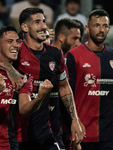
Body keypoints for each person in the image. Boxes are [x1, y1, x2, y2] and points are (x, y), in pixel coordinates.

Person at [0, 7, 85, 150]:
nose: (44, 26)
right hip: (16, 134)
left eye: (44, 21)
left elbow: (64, 86)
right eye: (37, 22)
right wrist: (10, 68)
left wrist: (75, 120)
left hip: (44, 131)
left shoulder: (55, 54)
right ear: (24, 27)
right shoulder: (14, 50)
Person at [65, 9, 113, 150]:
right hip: (82, 133)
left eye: (105, 26)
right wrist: (72, 124)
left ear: (109, 29)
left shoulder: (112, 55)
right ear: (87, 28)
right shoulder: (73, 56)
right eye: (96, 25)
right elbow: (66, 93)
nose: (101, 30)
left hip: (108, 135)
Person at [52, 18, 82, 150]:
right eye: (74, 38)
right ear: (61, 37)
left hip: (65, 126)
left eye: (79, 38)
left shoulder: (71, 61)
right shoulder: (45, 58)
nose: (78, 43)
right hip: (45, 126)